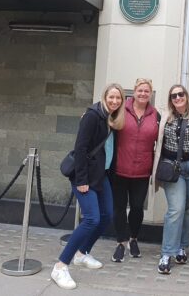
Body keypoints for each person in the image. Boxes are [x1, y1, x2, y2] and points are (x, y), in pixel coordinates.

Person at [51, 83, 126, 290]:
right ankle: (60, 266)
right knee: (91, 219)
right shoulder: (93, 115)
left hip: (101, 176)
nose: (114, 101)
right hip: (84, 177)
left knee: (106, 216)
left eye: (118, 98)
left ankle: (82, 253)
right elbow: (81, 148)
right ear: (104, 97)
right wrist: (82, 180)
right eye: (111, 97)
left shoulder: (112, 119)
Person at [152, 84, 189, 274]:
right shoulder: (163, 114)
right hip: (172, 169)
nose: (178, 98)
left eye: (181, 94)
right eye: (174, 96)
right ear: (170, 100)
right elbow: (139, 111)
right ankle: (166, 254)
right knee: (176, 209)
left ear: (187, 96)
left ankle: (182, 246)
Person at [111, 78, 160, 262]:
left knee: (138, 207)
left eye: (146, 91)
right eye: (140, 90)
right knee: (119, 207)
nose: (143, 94)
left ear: (150, 93)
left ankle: (133, 238)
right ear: (134, 91)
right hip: (120, 169)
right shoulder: (121, 109)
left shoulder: (156, 115)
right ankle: (120, 242)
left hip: (142, 170)